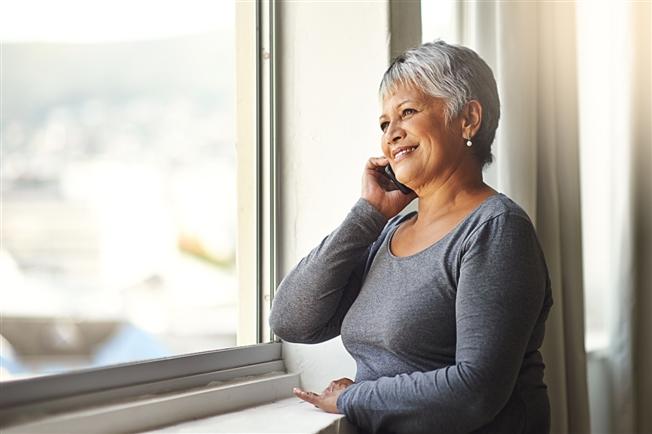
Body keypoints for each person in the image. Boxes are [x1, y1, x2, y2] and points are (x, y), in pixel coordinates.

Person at [269, 40, 553, 434]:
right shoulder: (387, 233)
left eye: (408, 112)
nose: (392, 134)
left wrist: (355, 398)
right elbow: (291, 320)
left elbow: (476, 391)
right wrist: (366, 215)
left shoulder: (496, 229)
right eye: (385, 124)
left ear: (468, 119)